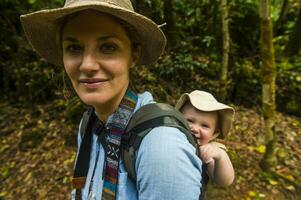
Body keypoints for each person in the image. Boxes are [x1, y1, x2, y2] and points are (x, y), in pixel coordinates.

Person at [20, 0, 202, 199]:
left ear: (134, 54)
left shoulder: (161, 147)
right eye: (74, 48)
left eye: (108, 47)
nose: (87, 65)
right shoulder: (89, 125)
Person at [176, 90, 235, 187]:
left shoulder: (207, 151)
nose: (195, 129)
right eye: (189, 120)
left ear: (214, 134)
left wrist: (221, 156)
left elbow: (224, 181)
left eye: (205, 126)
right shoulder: (169, 138)